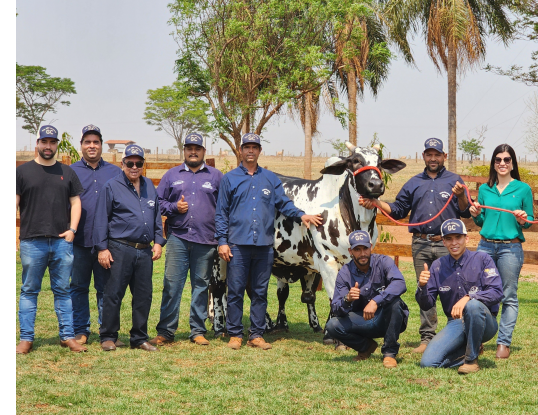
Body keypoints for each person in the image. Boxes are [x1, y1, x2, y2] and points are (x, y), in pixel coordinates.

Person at [359, 137, 470, 353]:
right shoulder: (413, 183)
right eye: (429, 154)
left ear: (444, 156)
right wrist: (375, 203)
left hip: (447, 245)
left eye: (437, 154)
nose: (433, 158)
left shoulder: (455, 181)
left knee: (453, 289)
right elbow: (399, 209)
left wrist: (461, 196)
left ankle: (457, 333)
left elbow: (465, 211)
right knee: (425, 289)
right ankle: (427, 338)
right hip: (420, 243)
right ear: (423, 157)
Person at [215, 133, 323, 350]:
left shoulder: (270, 179)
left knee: (259, 291)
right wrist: (222, 241)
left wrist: (302, 215)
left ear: (259, 151)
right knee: (235, 289)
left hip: (264, 245)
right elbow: (221, 213)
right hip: (237, 244)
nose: (251, 151)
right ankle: (235, 335)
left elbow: (284, 203)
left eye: (255, 147)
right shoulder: (230, 179)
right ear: (241, 150)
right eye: (247, 147)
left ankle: (256, 335)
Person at [16, 125, 86, 354]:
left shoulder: (67, 171)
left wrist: (72, 230)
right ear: (37, 143)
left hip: (60, 242)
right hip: (31, 241)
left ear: (57, 144)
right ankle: (26, 339)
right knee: (29, 290)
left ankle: (67, 336)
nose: (48, 146)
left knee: (63, 291)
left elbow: (76, 202)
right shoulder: (22, 171)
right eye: (44, 142)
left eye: (52, 142)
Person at [149, 133, 223, 347]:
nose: (193, 151)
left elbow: (224, 208)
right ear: (184, 151)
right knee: (172, 285)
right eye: (189, 148)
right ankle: (166, 331)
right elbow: (157, 202)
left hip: (206, 240)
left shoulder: (216, 176)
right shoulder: (172, 175)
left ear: (203, 152)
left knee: (200, 286)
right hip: (178, 238)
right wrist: (174, 208)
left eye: (197, 148)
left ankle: (198, 331)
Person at [92, 144, 166, 352]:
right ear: (122, 164)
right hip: (119, 247)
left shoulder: (150, 185)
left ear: (143, 164)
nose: (134, 167)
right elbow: (100, 219)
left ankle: (139, 337)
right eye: (130, 163)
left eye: (138, 163)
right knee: (113, 293)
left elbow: (156, 216)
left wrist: (158, 242)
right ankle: (108, 336)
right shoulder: (111, 186)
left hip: (144, 250)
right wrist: (102, 248)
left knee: (144, 295)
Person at [469, 144, 534, 359]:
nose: (502, 163)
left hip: (510, 248)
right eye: (498, 160)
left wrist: (522, 219)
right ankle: (478, 339)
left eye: (507, 159)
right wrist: (475, 213)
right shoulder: (485, 189)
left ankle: (503, 342)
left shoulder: (523, 188)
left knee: (508, 296)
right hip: (485, 246)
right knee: (480, 293)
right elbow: (481, 221)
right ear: (493, 163)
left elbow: (530, 222)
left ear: (513, 163)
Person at [417, 219, 503, 374]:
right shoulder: (437, 266)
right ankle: (470, 348)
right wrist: (422, 287)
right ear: (443, 242)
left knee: (473, 305)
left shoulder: (483, 259)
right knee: (428, 363)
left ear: (466, 238)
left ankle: (471, 360)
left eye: (458, 237)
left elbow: (497, 292)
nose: (454, 242)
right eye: (449, 239)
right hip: (456, 323)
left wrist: (469, 297)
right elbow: (427, 304)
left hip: (484, 321)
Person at [69, 125, 122, 346]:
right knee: (79, 287)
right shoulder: (71, 172)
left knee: (106, 289)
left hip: (106, 244)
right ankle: (81, 330)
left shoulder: (114, 172)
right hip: (79, 242)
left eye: (96, 142)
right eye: (87, 142)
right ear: (81, 145)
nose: (92, 146)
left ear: (101, 146)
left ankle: (106, 332)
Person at [325, 230, 409, 368]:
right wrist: (347, 299)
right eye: (357, 249)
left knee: (395, 303)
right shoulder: (345, 273)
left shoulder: (383, 262)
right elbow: (335, 308)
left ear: (371, 247)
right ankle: (366, 347)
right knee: (332, 325)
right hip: (362, 321)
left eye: (365, 248)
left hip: (386, 318)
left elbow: (400, 283)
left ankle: (389, 353)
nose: (362, 253)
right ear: (350, 251)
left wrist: (376, 301)